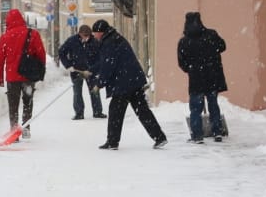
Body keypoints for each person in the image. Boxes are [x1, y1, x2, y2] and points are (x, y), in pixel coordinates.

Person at [89, 19, 167, 150]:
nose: (94, 36)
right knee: (142, 111)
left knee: (115, 112)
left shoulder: (109, 42)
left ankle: (112, 142)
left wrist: (99, 83)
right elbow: (107, 62)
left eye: (95, 33)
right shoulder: (115, 38)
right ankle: (159, 137)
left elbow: (108, 65)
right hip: (133, 80)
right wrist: (92, 70)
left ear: (100, 32)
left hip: (123, 83)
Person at [0, 8, 47, 139]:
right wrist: (40, 70)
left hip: (12, 77)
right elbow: (41, 53)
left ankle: (14, 130)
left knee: (13, 104)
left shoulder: (5, 36)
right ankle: (26, 128)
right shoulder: (32, 34)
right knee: (27, 101)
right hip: (28, 76)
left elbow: (0, 59)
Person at [176, 11, 228, 143]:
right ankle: (217, 132)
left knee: (195, 109)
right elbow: (222, 46)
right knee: (213, 105)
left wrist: (191, 69)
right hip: (212, 76)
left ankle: (197, 135)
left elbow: (182, 63)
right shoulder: (211, 35)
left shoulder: (184, 42)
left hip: (196, 79)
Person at [58, 23, 105, 120]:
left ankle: (98, 112)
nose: (86, 38)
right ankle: (79, 113)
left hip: (91, 72)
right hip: (76, 71)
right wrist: (68, 65)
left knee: (94, 91)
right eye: (84, 36)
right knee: (77, 92)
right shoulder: (72, 41)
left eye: (88, 36)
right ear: (79, 34)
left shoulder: (95, 42)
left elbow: (101, 58)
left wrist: (92, 69)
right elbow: (61, 52)